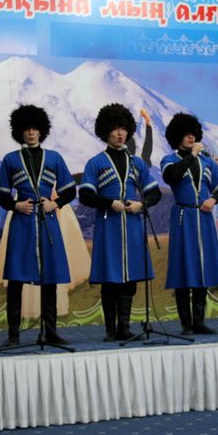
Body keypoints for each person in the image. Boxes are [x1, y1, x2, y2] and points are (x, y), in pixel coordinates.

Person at [0, 104, 77, 346]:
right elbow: (0, 194)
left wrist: (55, 203)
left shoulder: (54, 158)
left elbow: (70, 190)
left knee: (50, 278)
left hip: (48, 222)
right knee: (16, 279)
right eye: (26, 129)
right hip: (22, 223)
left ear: (42, 130)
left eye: (35, 128)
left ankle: (50, 332)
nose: (31, 132)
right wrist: (15, 205)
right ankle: (13, 334)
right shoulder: (10, 159)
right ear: (19, 131)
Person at [79, 103, 162, 342]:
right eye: (115, 129)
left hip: (134, 226)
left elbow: (154, 192)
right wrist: (109, 203)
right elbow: (86, 195)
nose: (120, 133)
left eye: (123, 128)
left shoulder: (137, 163)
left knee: (131, 277)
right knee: (110, 278)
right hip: (109, 227)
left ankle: (124, 328)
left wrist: (142, 205)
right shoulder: (95, 162)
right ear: (105, 131)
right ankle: (110, 330)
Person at [161, 112, 218, 335]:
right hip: (183, 217)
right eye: (186, 134)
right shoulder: (169, 160)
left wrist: (213, 199)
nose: (191, 137)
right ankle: (186, 324)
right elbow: (172, 176)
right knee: (183, 269)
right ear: (177, 137)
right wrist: (191, 155)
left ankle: (199, 322)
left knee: (203, 269)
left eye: (193, 134)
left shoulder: (207, 161)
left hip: (204, 217)